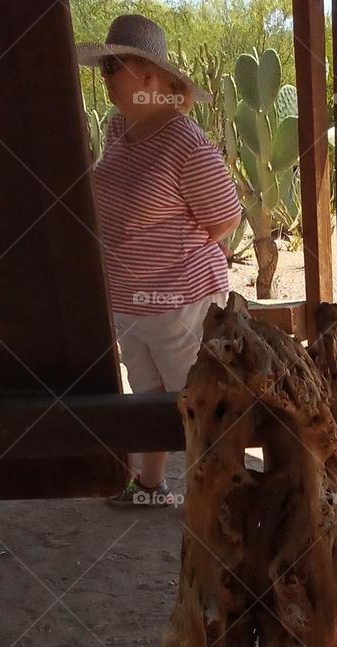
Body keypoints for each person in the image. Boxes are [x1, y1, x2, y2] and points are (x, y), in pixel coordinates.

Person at [77, 16, 241, 506]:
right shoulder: (118, 128)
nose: (103, 75)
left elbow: (225, 217)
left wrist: (173, 254)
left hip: (182, 303)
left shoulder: (183, 140)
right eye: (103, 65)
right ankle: (150, 487)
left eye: (112, 65)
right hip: (130, 300)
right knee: (147, 394)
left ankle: (216, 504)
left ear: (147, 75)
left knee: (197, 402)